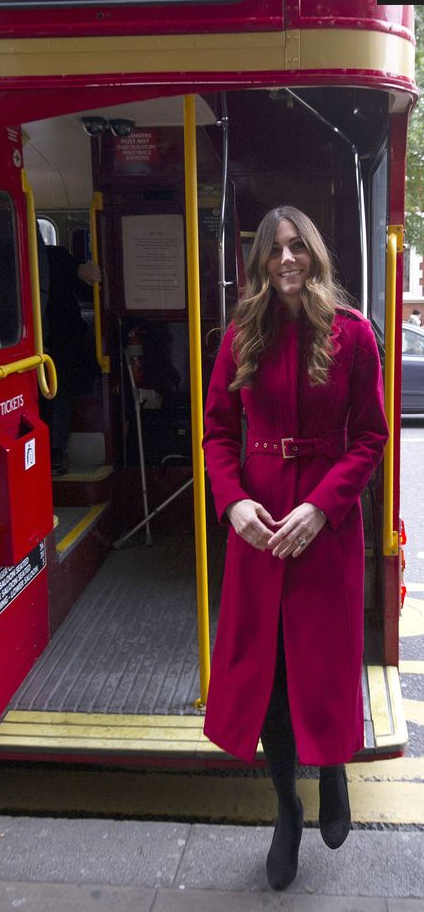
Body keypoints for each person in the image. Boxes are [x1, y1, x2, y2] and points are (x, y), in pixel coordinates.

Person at [202, 206, 388, 891]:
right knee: (271, 682)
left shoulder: (353, 333)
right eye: (275, 249)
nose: (287, 259)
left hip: (325, 530)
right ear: (260, 262)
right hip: (259, 530)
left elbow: (370, 437)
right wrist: (232, 502)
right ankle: (287, 808)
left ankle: (333, 768)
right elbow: (217, 433)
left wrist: (321, 507)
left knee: (323, 665)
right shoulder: (240, 335)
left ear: (314, 255)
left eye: (297, 247)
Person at [39, 229, 101, 475]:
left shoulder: (57, 256)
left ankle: (55, 452)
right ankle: (49, 452)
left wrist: (85, 273)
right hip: (40, 341)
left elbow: (85, 292)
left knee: (59, 392)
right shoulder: (6, 256)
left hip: (59, 340)